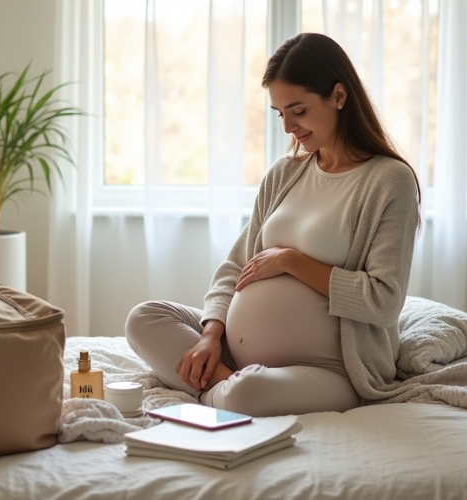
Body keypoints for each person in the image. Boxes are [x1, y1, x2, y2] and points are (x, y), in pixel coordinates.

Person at [125, 32, 421, 417]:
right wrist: (211, 337)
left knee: (248, 393)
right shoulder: (285, 173)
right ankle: (220, 380)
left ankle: (220, 388)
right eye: (280, 114)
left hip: (330, 370)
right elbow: (235, 268)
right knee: (143, 318)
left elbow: (383, 301)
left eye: (298, 111)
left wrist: (289, 261)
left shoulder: (388, 180)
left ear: (339, 96)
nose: (288, 127)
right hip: (232, 349)